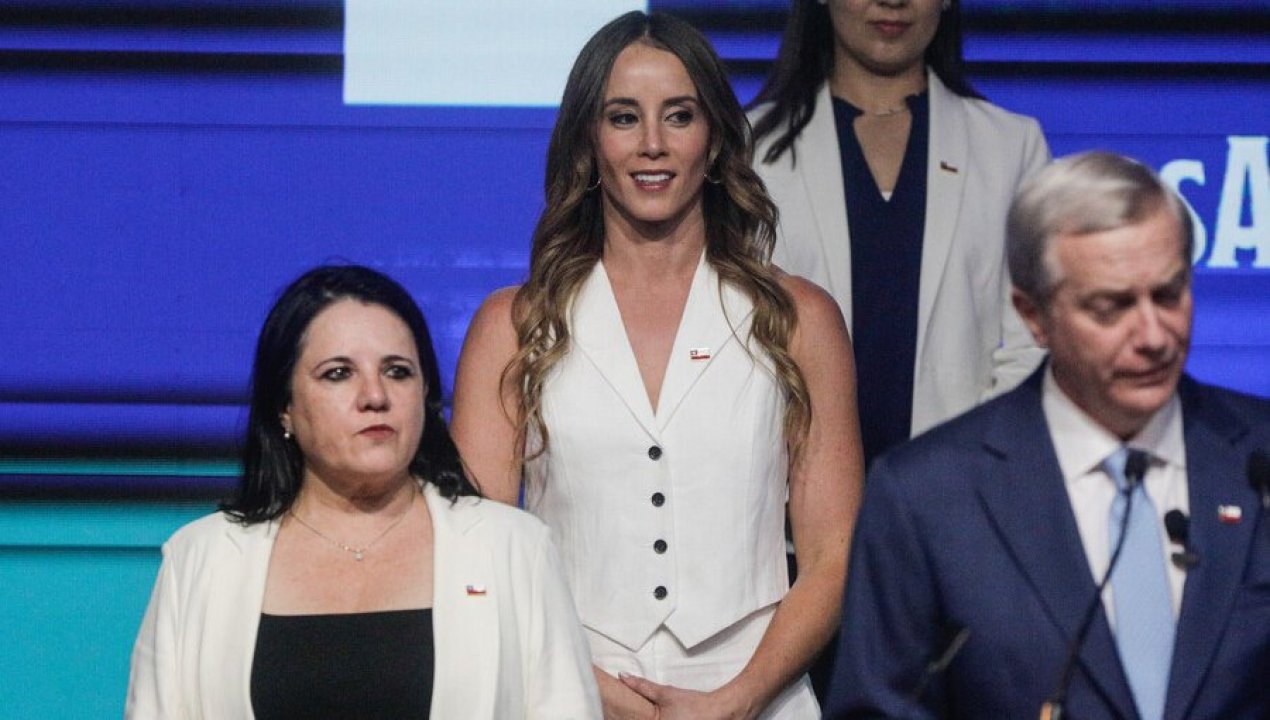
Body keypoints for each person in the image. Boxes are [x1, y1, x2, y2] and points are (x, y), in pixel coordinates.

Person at [451, 11, 863, 719]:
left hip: (760, 696)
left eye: (679, 116)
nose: (652, 144)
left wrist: (735, 702)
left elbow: (835, 553)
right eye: (623, 117)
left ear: (715, 139)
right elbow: (478, 558)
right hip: (566, 687)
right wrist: (598, 694)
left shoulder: (799, 319)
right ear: (589, 140)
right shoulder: (513, 327)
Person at [824, 152, 1270, 719]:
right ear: (1033, 316)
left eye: (1168, 295)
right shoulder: (926, 498)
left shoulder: (1257, 459)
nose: (1154, 336)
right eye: (1111, 307)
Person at [125, 265, 600, 719]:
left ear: (426, 394)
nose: (375, 396)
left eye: (397, 371)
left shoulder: (513, 549)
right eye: (338, 373)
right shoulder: (202, 560)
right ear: (284, 407)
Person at [749, 0, 1050, 468]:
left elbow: (1035, 340)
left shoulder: (1010, 147)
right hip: (790, 489)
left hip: (959, 488)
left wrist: (968, 473)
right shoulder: (748, 148)